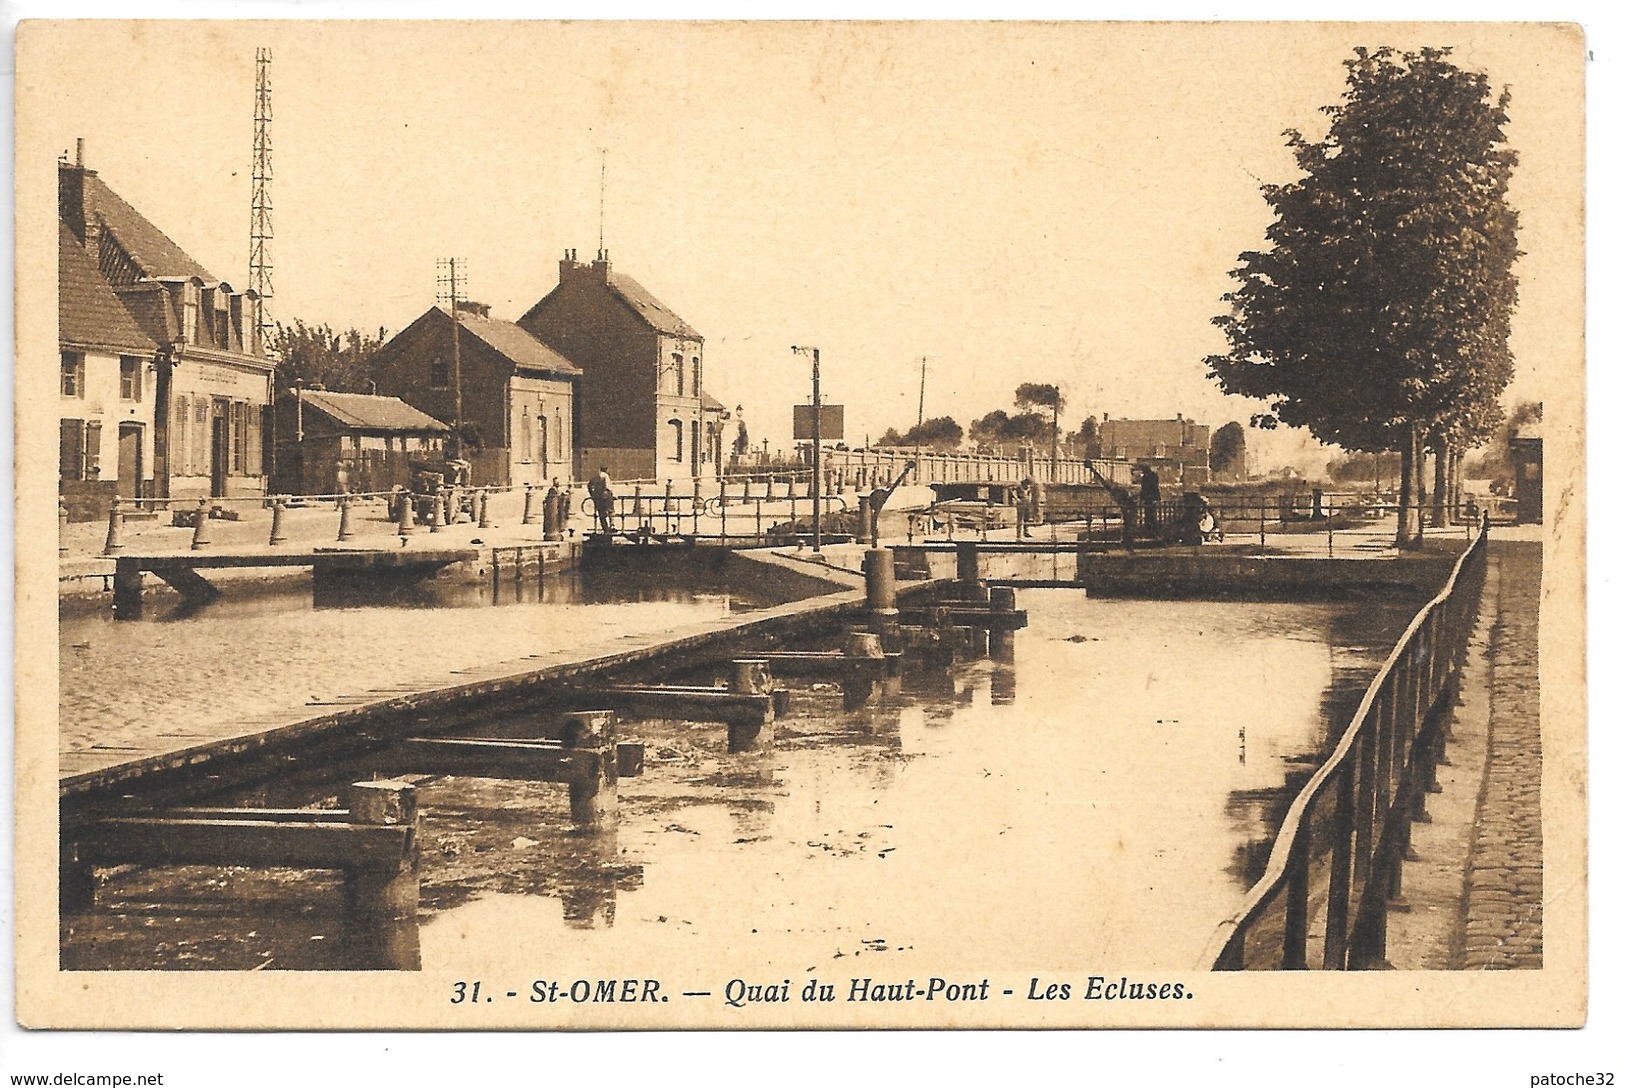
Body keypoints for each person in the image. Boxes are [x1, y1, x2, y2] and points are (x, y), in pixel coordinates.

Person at [587, 466, 615, 534]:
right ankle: (612, 526)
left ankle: (605, 529)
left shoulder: (595, 477)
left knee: (602, 514)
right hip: (606, 497)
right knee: (611, 511)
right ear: (606, 470)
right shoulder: (606, 476)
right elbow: (608, 487)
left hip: (598, 498)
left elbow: (589, 485)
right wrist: (613, 495)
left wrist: (592, 495)